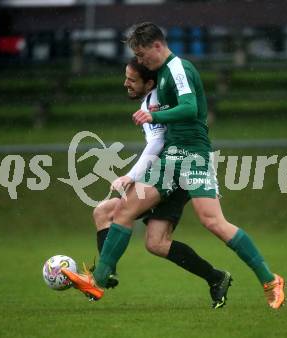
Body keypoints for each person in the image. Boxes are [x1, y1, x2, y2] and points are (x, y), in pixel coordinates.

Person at [62, 22, 285, 310]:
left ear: (157, 45)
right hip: (171, 159)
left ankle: (270, 280)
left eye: (142, 55)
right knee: (125, 212)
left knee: (213, 222)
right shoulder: (162, 74)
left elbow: (190, 108)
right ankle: (100, 279)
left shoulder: (178, 69)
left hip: (193, 157)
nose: (141, 62)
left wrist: (154, 117)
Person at [92, 58, 232, 308]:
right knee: (156, 243)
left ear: (149, 82)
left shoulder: (155, 100)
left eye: (132, 79)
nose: (126, 83)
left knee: (105, 211)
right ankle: (216, 278)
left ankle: (102, 274)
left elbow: (157, 143)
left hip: (169, 172)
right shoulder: (152, 99)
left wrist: (130, 176)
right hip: (170, 172)